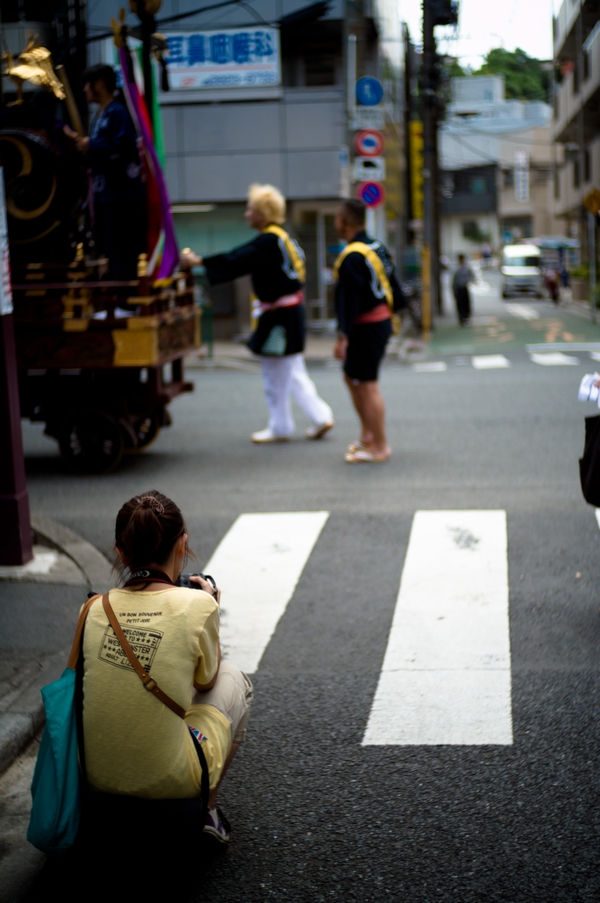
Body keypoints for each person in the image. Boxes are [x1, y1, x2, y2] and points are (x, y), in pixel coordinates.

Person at [81, 490, 253, 844]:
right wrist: (210, 608)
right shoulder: (196, 605)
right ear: (182, 544)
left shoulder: (94, 609)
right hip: (171, 778)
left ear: (120, 553)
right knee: (234, 679)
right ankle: (207, 808)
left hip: (96, 774)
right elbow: (205, 683)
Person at [180, 184, 333, 444]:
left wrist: (200, 262)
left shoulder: (268, 241)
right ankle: (319, 416)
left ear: (263, 213)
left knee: (274, 374)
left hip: (278, 317)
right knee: (293, 368)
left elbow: (237, 259)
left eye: (251, 209)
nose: (247, 214)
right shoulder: (284, 237)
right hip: (290, 313)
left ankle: (281, 426)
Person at [332, 198, 404, 464]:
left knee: (367, 384)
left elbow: (348, 302)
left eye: (337, 218)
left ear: (345, 221)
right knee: (352, 378)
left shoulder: (352, 255)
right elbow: (394, 283)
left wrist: (342, 337)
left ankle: (380, 446)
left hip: (367, 326)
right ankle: (368, 436)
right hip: (378, 322)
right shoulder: (375, 247)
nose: (335, 223)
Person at [64, 64, 146, 279]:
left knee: (122, 247)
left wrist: (92, 145)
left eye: (87, 85)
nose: (84, 90)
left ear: (99, 83)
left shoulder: (118, 112)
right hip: (104, 194)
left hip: (121, 195)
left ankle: (125, 300)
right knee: (108, 246)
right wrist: (81, 144)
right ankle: (115, 298)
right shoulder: (101, 115)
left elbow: (124, 148)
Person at [452, 254, 475, 326]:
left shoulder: (467, 268)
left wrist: (469, 281)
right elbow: (453, 280)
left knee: (466, 304)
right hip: (459, 289)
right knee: (459, 304)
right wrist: (453, 289)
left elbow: (472, 277)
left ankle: (466, 317)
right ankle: (461, 318)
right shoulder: (456, 269)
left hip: (464, 288)